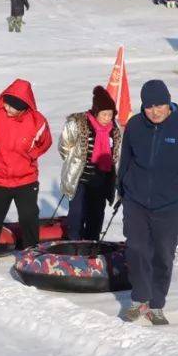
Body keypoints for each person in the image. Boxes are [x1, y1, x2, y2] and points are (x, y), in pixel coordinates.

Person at [118, 80, 178, 325]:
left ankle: (156, 304)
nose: (154, 111)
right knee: (136, 249)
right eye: (149, 106)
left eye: (159, 105)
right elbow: (125, 159)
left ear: (168, 102)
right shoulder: (136, 125)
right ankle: (139, 301)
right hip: (136, 200)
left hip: (168, 204)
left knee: (162, 255)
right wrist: (122, 188)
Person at [0, 80, 52, 270]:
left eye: (12, 107)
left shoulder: (38, 122)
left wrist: (32, 154)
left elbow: (46, 142)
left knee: (28, 218)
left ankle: (32, 260)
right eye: (6, 103)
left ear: (24, 107)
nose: (7, 108)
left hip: (25, 179)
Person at [59, 86, 120, 241]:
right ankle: (74, 244)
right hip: (80, 179)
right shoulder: (78, 124)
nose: (107, 118)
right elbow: (64, 147)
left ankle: (92, 245)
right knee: (77, 215)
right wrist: (74, 161)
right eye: (104, 114)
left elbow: (115, 154)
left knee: (96, 216)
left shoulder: (114, 130)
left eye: (110, 114)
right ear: (96, 111)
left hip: (102, 180)